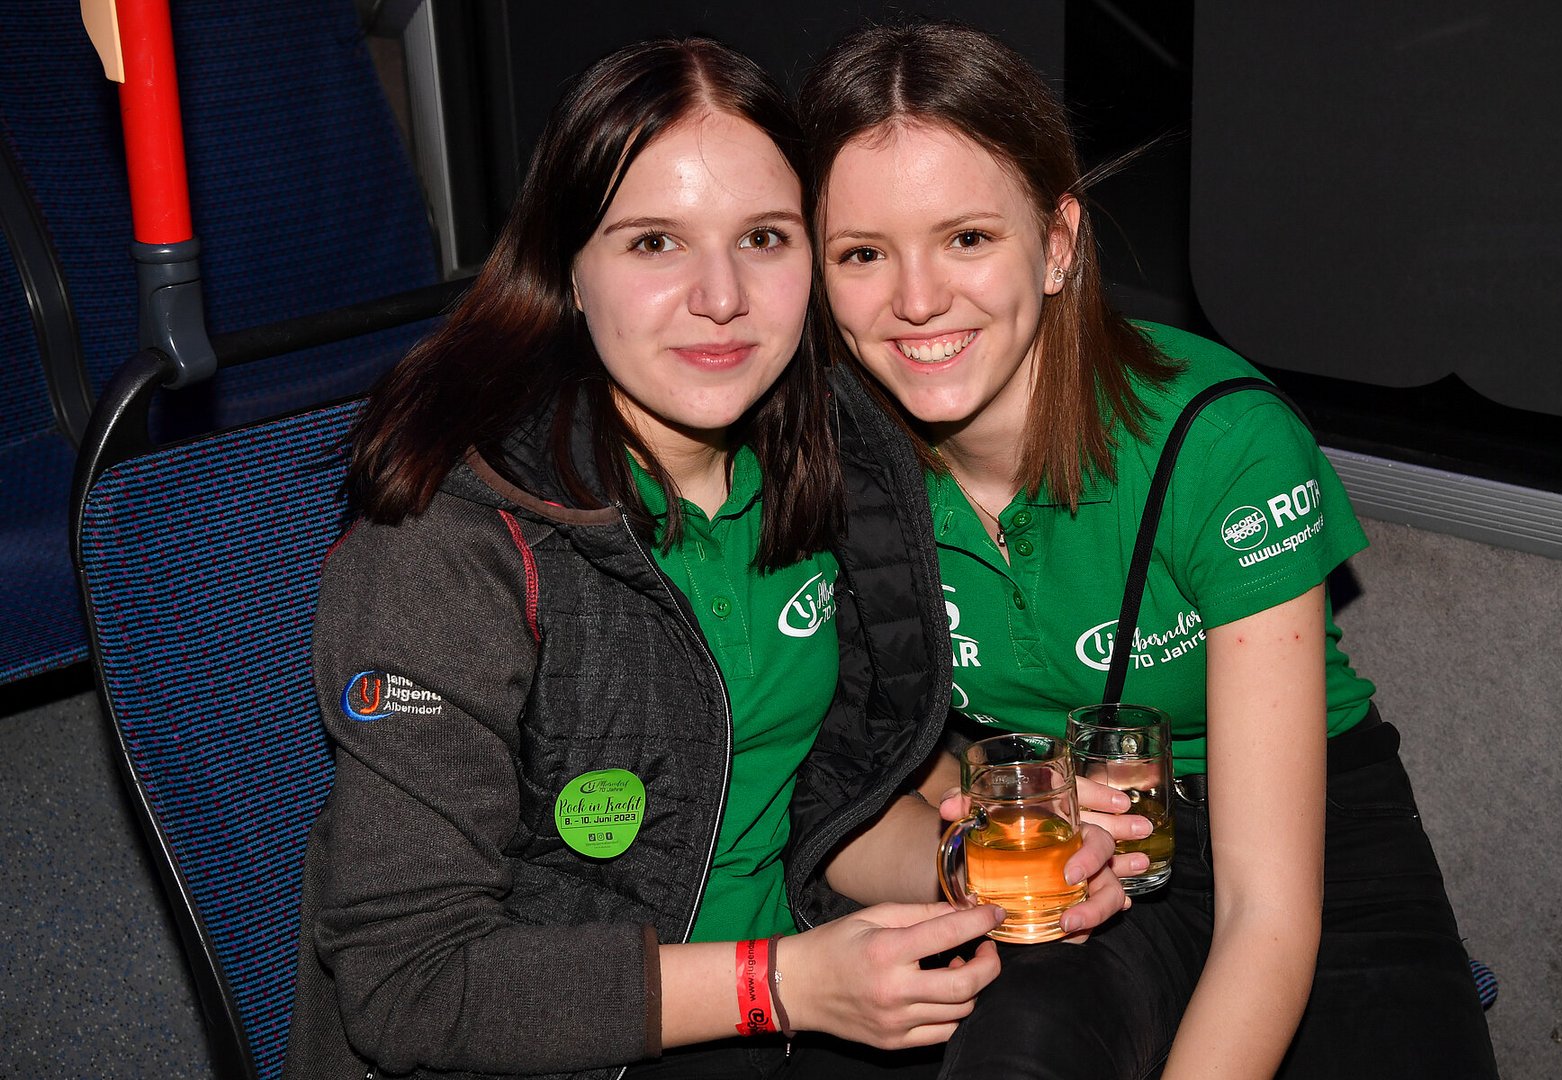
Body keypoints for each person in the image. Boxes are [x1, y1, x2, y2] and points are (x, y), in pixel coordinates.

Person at [282, 36, 1127, 1080]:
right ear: (568, 269)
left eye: (764, 238)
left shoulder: (829, 467)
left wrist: (982, 869)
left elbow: (826, 797)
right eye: (654, 244)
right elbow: (408, 984)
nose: (720, 296)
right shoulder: (448, 545)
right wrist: (777, 984)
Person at [798, 21, 1500, 1080]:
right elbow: (853, 771)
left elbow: (1268, 913)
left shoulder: (1220, 441)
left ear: (1058, 243)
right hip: (1066, 833)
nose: (917, 299)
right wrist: (966, 835)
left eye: (968, 238)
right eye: (862, 254)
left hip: (1305, 844)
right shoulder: (825, 473)